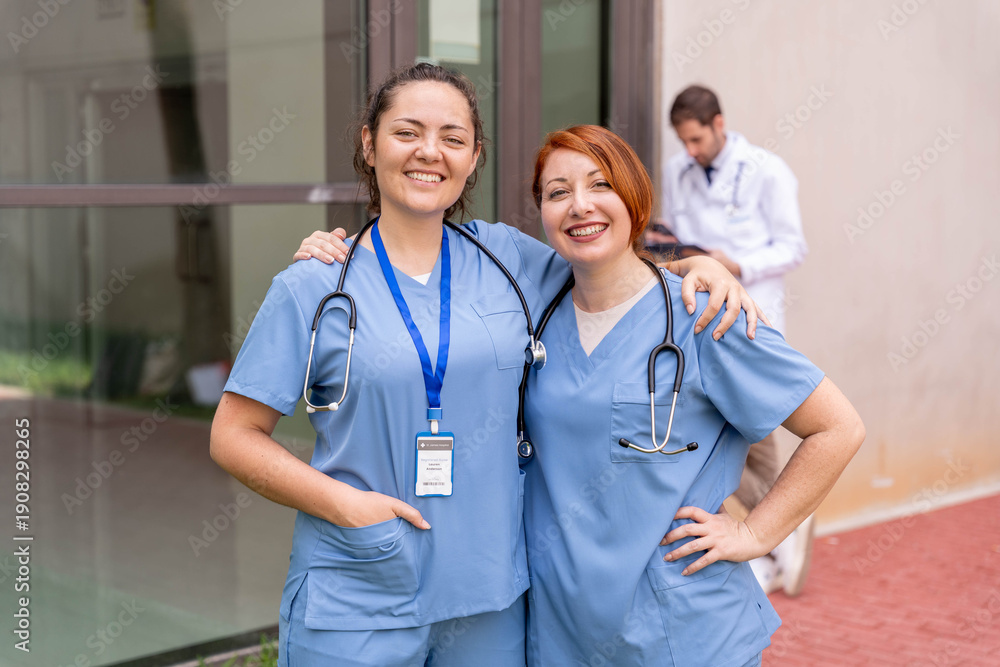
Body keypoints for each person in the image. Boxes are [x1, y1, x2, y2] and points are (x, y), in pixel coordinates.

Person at [213, 62, 758, 667]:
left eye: (453, 138)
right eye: (406, 132)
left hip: (488, 603)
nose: (430, 152)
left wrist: (697, 267)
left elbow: (610, 266)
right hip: (356, 590)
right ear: (369, 144)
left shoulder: (506, 259)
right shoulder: (316, 285)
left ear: (474, 158)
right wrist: (344, 505)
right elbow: (234, 437)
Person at [520, 125, 864, 666]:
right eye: (557, 192)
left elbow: (838, 428)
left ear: (635, 198)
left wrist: (754, 532)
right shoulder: (535, 308)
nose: (579, 205)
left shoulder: (706, 315)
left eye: (600, 184)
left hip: (681, 635)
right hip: (563, 633)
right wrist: (337, 250)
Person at [662, 84, 812, 595]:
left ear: (719, 124)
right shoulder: (677, 170)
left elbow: (794, 247)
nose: (690, 151)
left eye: (697, 139)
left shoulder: (768, 171)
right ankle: (775, 529)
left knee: (755, 436)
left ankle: (776, 532)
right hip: (700, 321)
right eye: (683, 141)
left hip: (751, 319)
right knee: (721, 436)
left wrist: (736, 264)